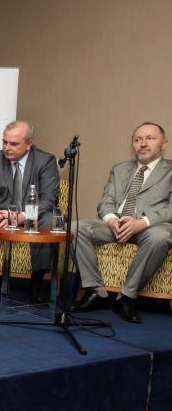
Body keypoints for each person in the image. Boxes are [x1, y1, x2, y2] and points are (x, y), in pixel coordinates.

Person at [71, 122, 172, 323]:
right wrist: (112, 221)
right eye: (137, 140)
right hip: (117, 224)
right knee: (74, 227)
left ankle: (126, 297)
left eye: (150, 138)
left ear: (164, 144)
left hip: (151, 227)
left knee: (160, 237)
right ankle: (96, 291)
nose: (143, 144)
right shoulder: (119, 169)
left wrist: (142, 222)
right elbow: (105, 202)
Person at [0, 120, 60, 302]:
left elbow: (49, 199)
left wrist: (23, 216)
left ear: (29, 144)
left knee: (48, 220)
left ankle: (37, 280)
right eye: (5, 142)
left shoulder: (45, 161)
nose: (7, 148)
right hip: (2, 214)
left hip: (31, 216)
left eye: (13, 144)